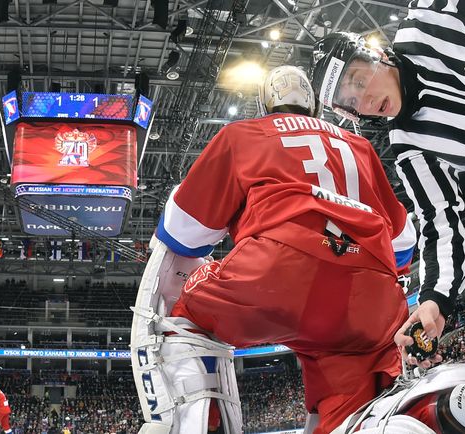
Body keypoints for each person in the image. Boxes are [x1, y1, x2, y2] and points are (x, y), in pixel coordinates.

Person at [309, 1, 465, 432]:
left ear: (376, 55)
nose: (365, 99)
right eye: (349, 102)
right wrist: (435, 299)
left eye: (358, 80)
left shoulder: (425, 24)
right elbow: (440, 221)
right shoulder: (410, 146)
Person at [131, 65, 417, 433]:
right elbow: (403, 244)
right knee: (350, 390)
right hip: (371, 291)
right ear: (314, 107)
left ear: (265, 105)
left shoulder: (243, 135)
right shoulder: (360, 147)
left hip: (278, 269)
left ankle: (194, 422)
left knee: (181, 309)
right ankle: (398, 419)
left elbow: (184, 234)